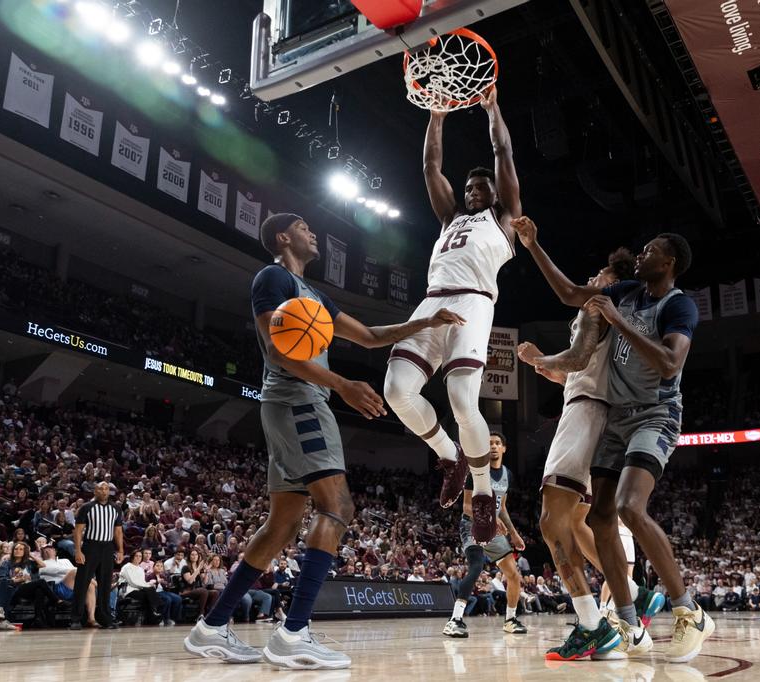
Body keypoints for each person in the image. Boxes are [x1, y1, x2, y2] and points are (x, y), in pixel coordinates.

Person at [183, 211, 463, 670]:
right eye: (305, 228)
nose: (313, 233)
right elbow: (278, 350)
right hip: (299, 398)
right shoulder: (272, 278)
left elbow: (371, 337)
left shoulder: (315, 295)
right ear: (283, 237)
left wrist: (424, 324)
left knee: (282, 524)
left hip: (292, 402)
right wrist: (342, 384)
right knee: (338, 507)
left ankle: (211, 627)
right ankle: (293, 633)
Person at [512, 216, 712, 663]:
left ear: (671, 261)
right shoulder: (623, 292)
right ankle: (626, 614)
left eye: (650, 250)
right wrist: (533, 245)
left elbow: (667, 364)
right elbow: (568, 293)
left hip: (655, 413)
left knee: (624, 507)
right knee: (597, 519)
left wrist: (616, 320)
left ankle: (688, 610)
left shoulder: (679, 307)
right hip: (617, 416)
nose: (641, 254)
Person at [382, 86, 521, 544]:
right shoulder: (449, 219)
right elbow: (430, 167)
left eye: (479, 187)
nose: (471, 191)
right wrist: (437, 115)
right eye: (467, 188)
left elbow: (502, 150)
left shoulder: (504, 219)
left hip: (474, 302)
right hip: (433, 301)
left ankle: (482, 495)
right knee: (396, 390)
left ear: (494, 193)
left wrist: (492, 107)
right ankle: (449, 455)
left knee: (463, 400)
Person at [516, 251, 664, 660]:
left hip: (584, 414)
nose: (592, 275)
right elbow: (586, 367)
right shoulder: (625, 322)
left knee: (551, 521)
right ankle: (635, 592)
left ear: (613, 282)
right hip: (609, 418)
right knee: (580, 520)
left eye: (599, 272)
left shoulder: (596, 308)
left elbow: (578, 359)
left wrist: (537, 358)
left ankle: (590, 625)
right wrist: (553, 373)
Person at [443, 433, 528, 638]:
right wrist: (489, 517)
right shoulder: (477, 471)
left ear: (504, 449)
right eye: (489, 443)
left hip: (494, 529)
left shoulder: (507, 474)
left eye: (498, 443)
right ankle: (455, 620)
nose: (493, 446)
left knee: (514, 575)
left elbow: (503, 508)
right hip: (472, 524)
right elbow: (466, 506)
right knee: (477, 565)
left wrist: (514, 534)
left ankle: (510, 620)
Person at [70, 481, 123, 630]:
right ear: (95, 491)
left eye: (106, 489)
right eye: (101, 488)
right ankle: (76, 619)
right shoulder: (86, 508)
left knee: (106, 585)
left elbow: (118, 531)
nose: (104, 491)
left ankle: (105, 618)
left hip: (107, 548)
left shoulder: (116, 509)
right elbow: (78, 530)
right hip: (90, 547)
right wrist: (78, 550)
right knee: (82, 584)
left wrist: (120, 550)